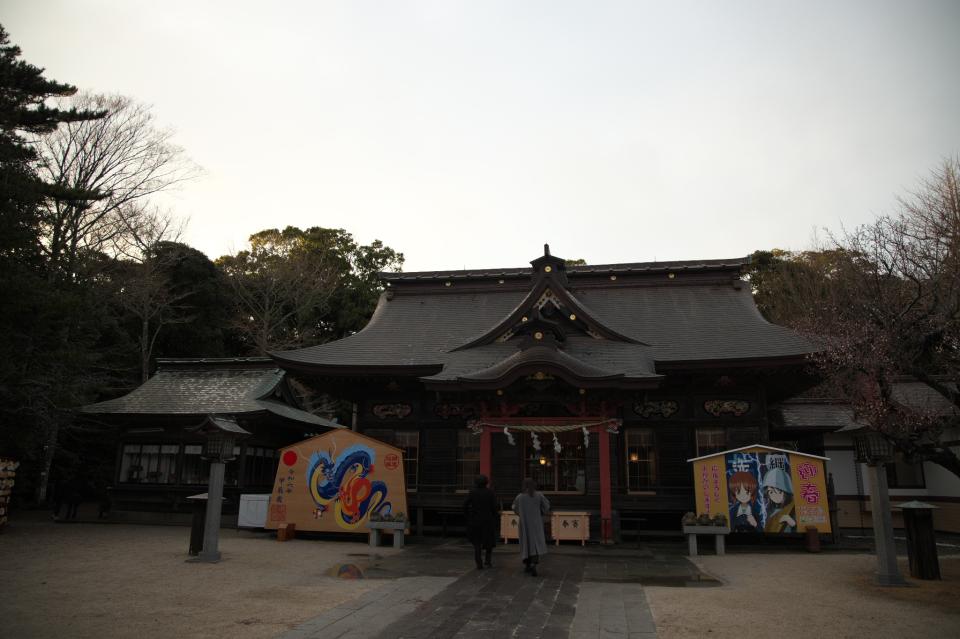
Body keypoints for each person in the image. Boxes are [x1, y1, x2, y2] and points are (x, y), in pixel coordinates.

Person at [512, 477, 550, 576]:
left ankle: (527, 564)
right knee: (535, 543)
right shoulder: (539, 495)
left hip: (524, 523)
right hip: (536, 523)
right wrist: (540, 513)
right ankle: (534, 563)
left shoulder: (520, 497)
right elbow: (546, 506)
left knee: (526, 542)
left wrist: (522, 514)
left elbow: (514, 508)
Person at [464, 474, 498, 569]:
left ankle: (479, 562)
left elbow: (465, 505)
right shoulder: (490, 493)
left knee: (477, 542)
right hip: (488, 519)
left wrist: (468, 515)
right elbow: (495, 507)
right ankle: (488, 561)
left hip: (475, 520)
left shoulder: (472, 492)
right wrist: (495, 517)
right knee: (489, 542)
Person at [762, 468, 796, 533]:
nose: (774, 495)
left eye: (779, 491)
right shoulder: (770, 512)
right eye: (771, 492)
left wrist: (793, 524)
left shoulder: (793, 508)